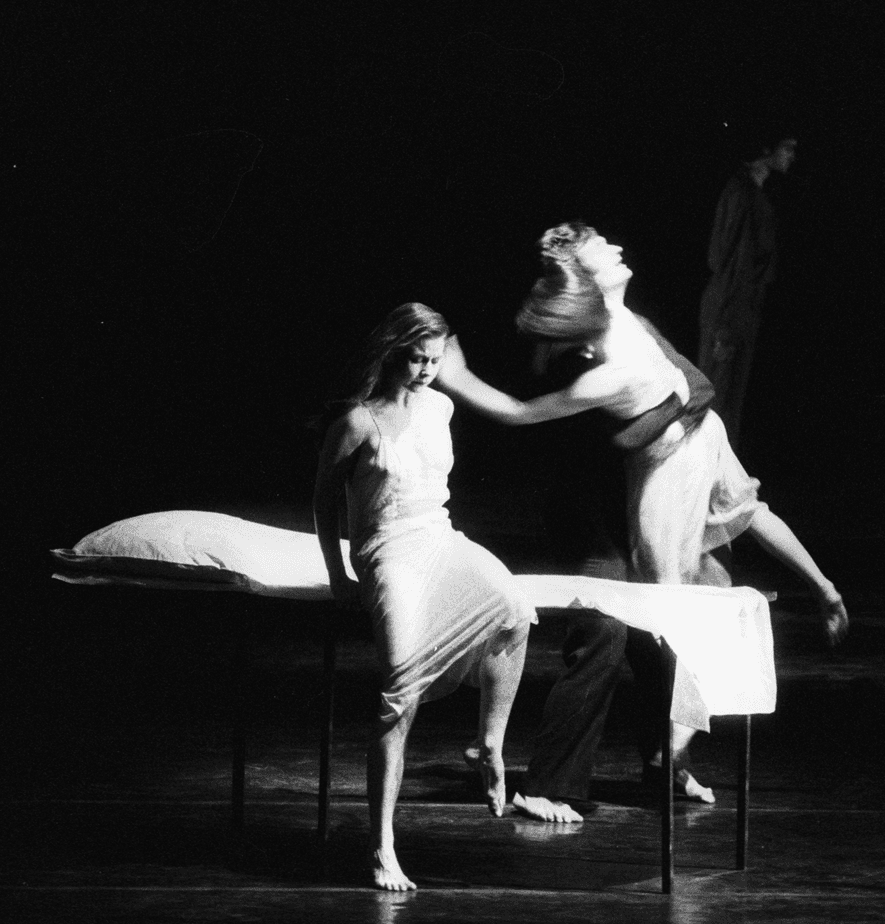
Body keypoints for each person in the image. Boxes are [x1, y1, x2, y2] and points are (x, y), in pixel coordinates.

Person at [437, 222, 848, 819]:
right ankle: (561, 781)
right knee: (636, 622)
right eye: (603, 249)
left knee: (661, 626)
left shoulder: (626, 323)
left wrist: (823, 587)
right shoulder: (611, 369)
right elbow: (523, 413)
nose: (619, 248)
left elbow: (751, 510)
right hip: (616, 495)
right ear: (588, 278)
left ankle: (664, 760)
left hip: (670, 462)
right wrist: (457, 378)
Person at [313, 302, 538, 891]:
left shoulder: (440, 406)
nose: (426, 370)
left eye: (435, 360)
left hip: (440, 536)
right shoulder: (358, 421)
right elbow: (324, 500)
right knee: (398, 688)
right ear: (392, 353)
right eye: (417, 358)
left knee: (513, 609)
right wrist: (338, 573)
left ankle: (489, 747)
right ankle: (382, 845)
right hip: (387, 549)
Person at [697, 135, 798, 448]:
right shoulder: (740, 191)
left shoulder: (757, 194)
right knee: (717, 401)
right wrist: (724, 325)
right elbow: (722, 256)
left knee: (728, 404)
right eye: (787, 148)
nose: (792, 156)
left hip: (742, 307)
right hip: (731, 307)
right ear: (766, 148)